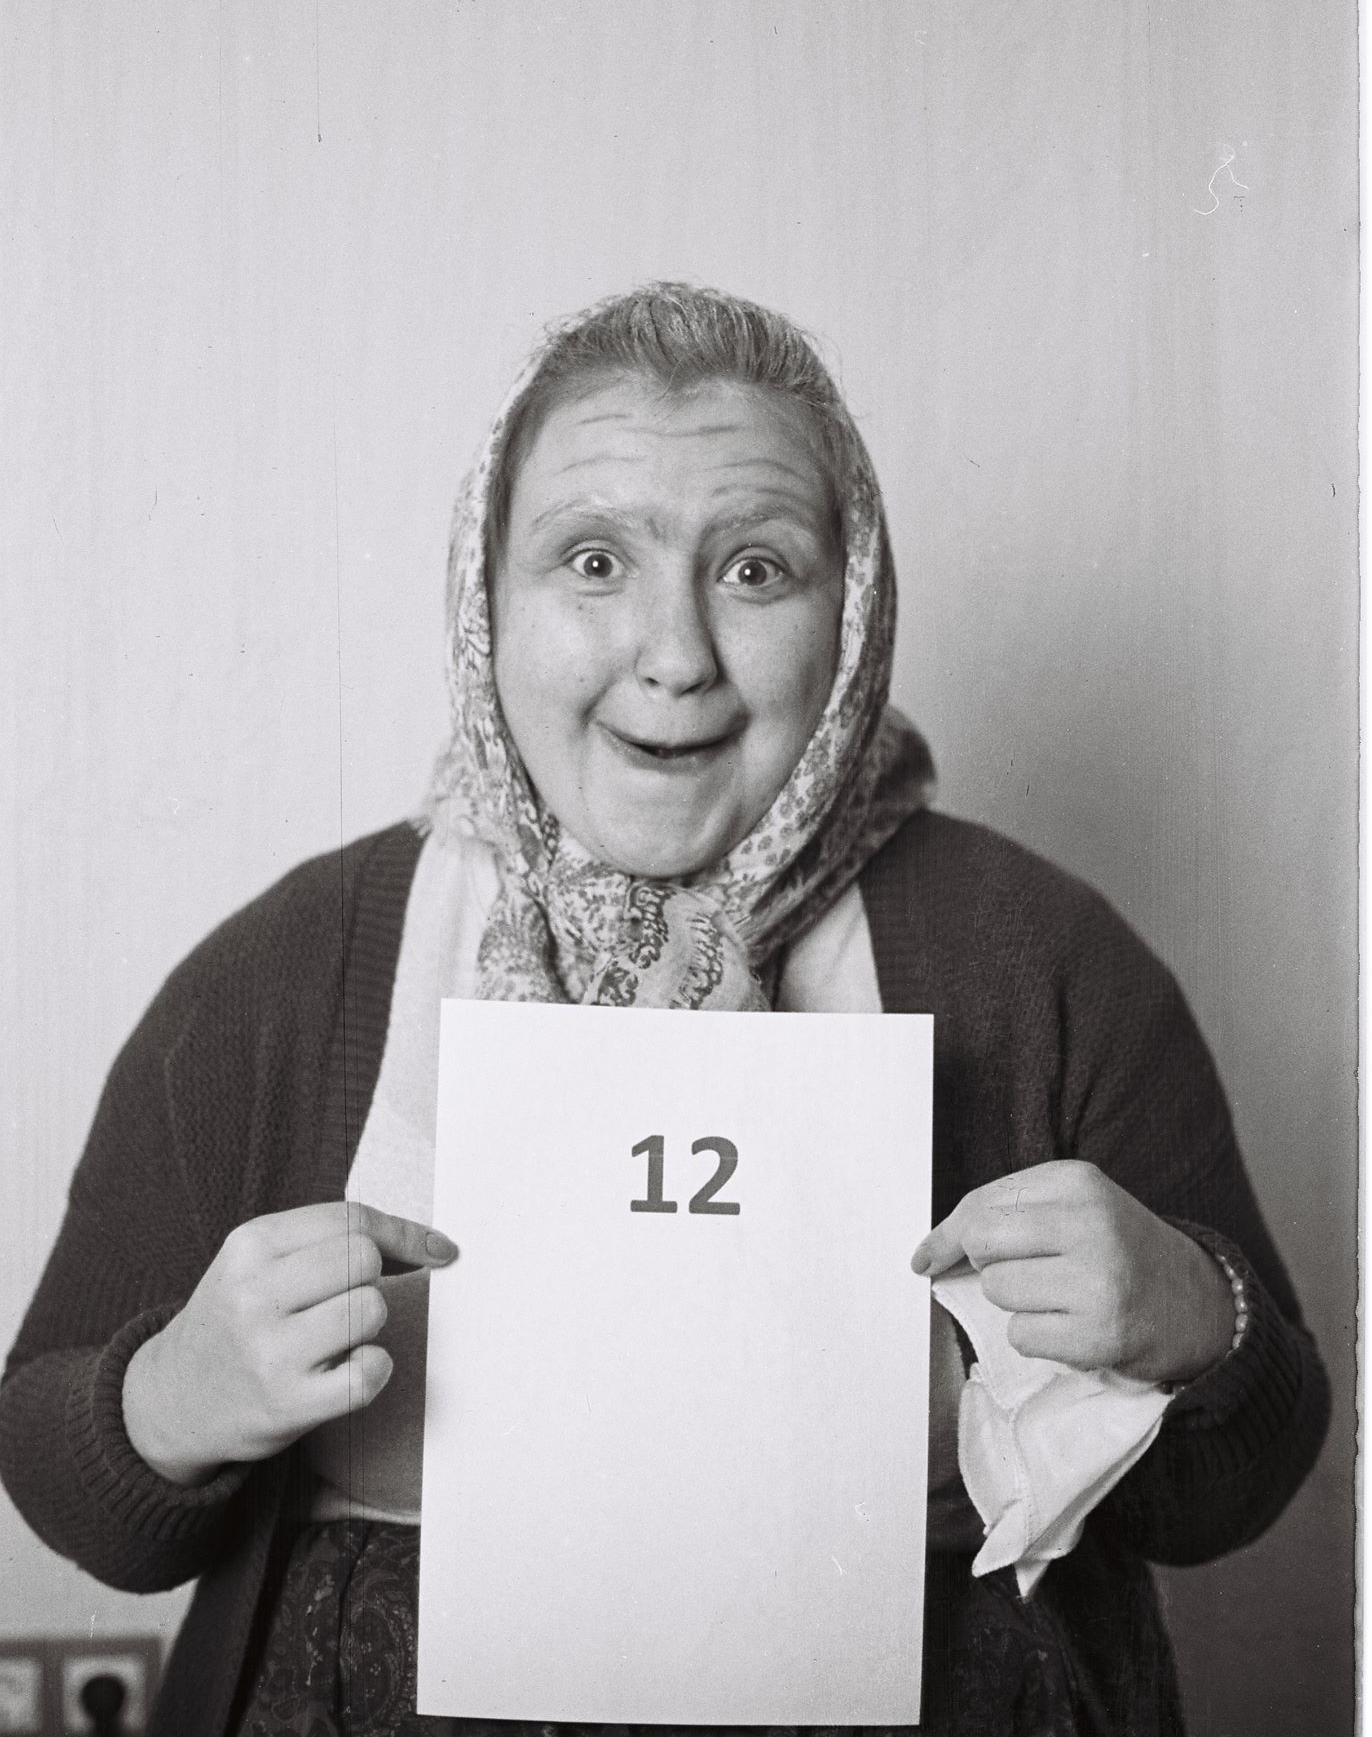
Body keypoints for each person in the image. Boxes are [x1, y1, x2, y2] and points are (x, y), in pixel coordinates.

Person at [0, 283, 1329, 1737]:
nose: (676, 653)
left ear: (853, 609)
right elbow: (67, 1480)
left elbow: (1240, 1485)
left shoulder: (1046, 957)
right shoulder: (291, 971)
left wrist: (1196, 1318)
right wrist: (171, 1403)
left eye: (756, 569)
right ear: (486, 600)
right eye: (593, 562)